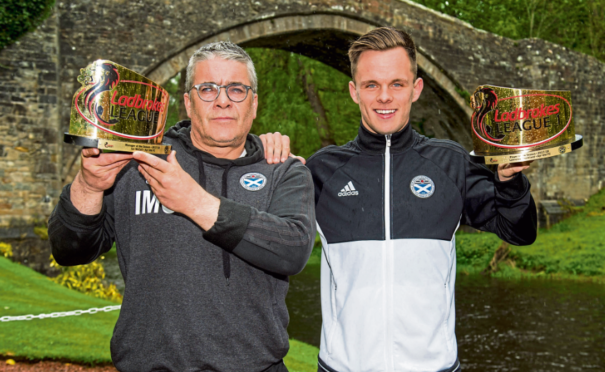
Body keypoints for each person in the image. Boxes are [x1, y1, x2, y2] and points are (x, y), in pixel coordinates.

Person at [262, 27, 537, 372]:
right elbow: (262, 239)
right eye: (371, 85)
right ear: (354, 92)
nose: (384, 97)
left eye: (397, 84)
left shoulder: (450, 163)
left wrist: (510, 182)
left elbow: (520, 231)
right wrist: (262, 159)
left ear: (416, 89)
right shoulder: (322, 170)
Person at [48, 42, 316, 372]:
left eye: (236, 89)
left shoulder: (283, 170)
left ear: (254, 103)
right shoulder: (140, 161)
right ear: (188, 103)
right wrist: (88, 185)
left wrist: (192, 200)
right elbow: (68, 250)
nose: (222, 100)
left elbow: (292, 249)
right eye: (207, 89)